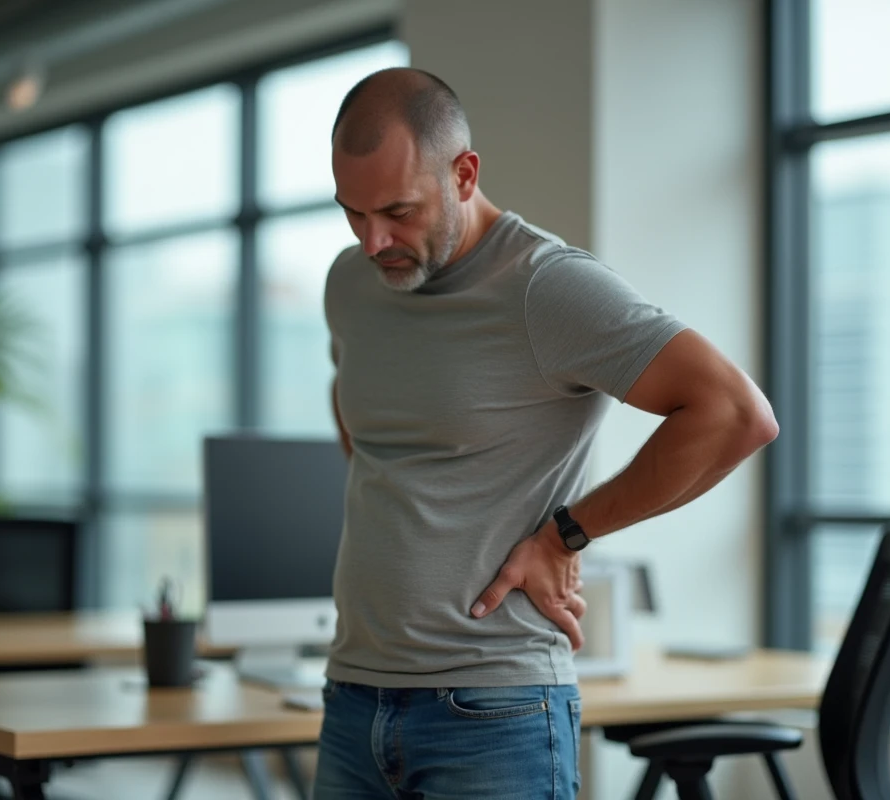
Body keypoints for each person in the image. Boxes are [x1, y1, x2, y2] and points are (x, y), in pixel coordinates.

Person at [316, 67, 778, 800]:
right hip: (352, 696)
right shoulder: (349, 284)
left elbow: (733, 414)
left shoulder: (545, 286)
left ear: (464, 174)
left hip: (494, 710)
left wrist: (565, 534)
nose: (374, 242)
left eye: (398, 211)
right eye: (353, 213)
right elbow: (361, 416)